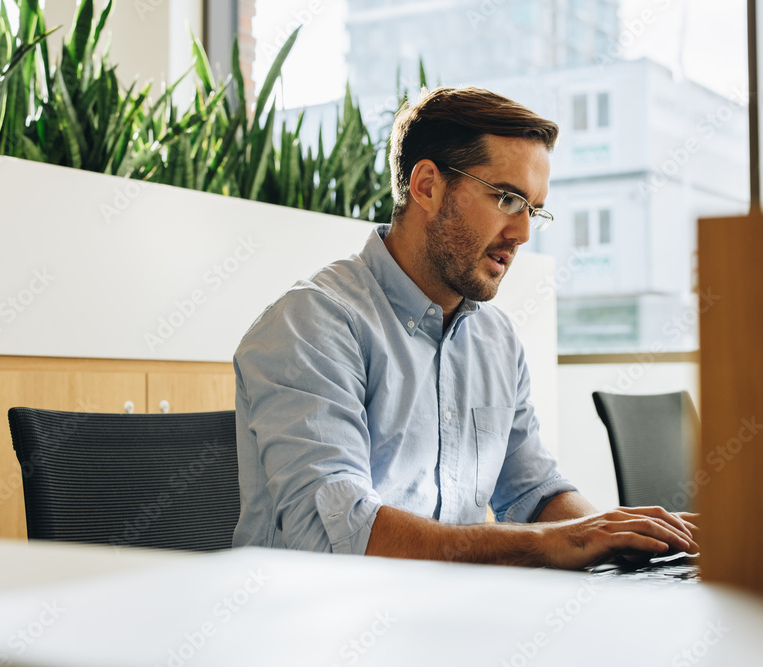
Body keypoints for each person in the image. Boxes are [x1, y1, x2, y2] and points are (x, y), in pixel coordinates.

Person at [232, 86, 698, 568]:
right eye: (508, 199)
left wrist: (619, 541)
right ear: (427, 186)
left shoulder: (496, 340)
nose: (522, 235)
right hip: (319, 629)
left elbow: (535, 490)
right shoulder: (312, 324)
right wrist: (553, 544)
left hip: (457, 618)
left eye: (533, 210)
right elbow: (337, 537)